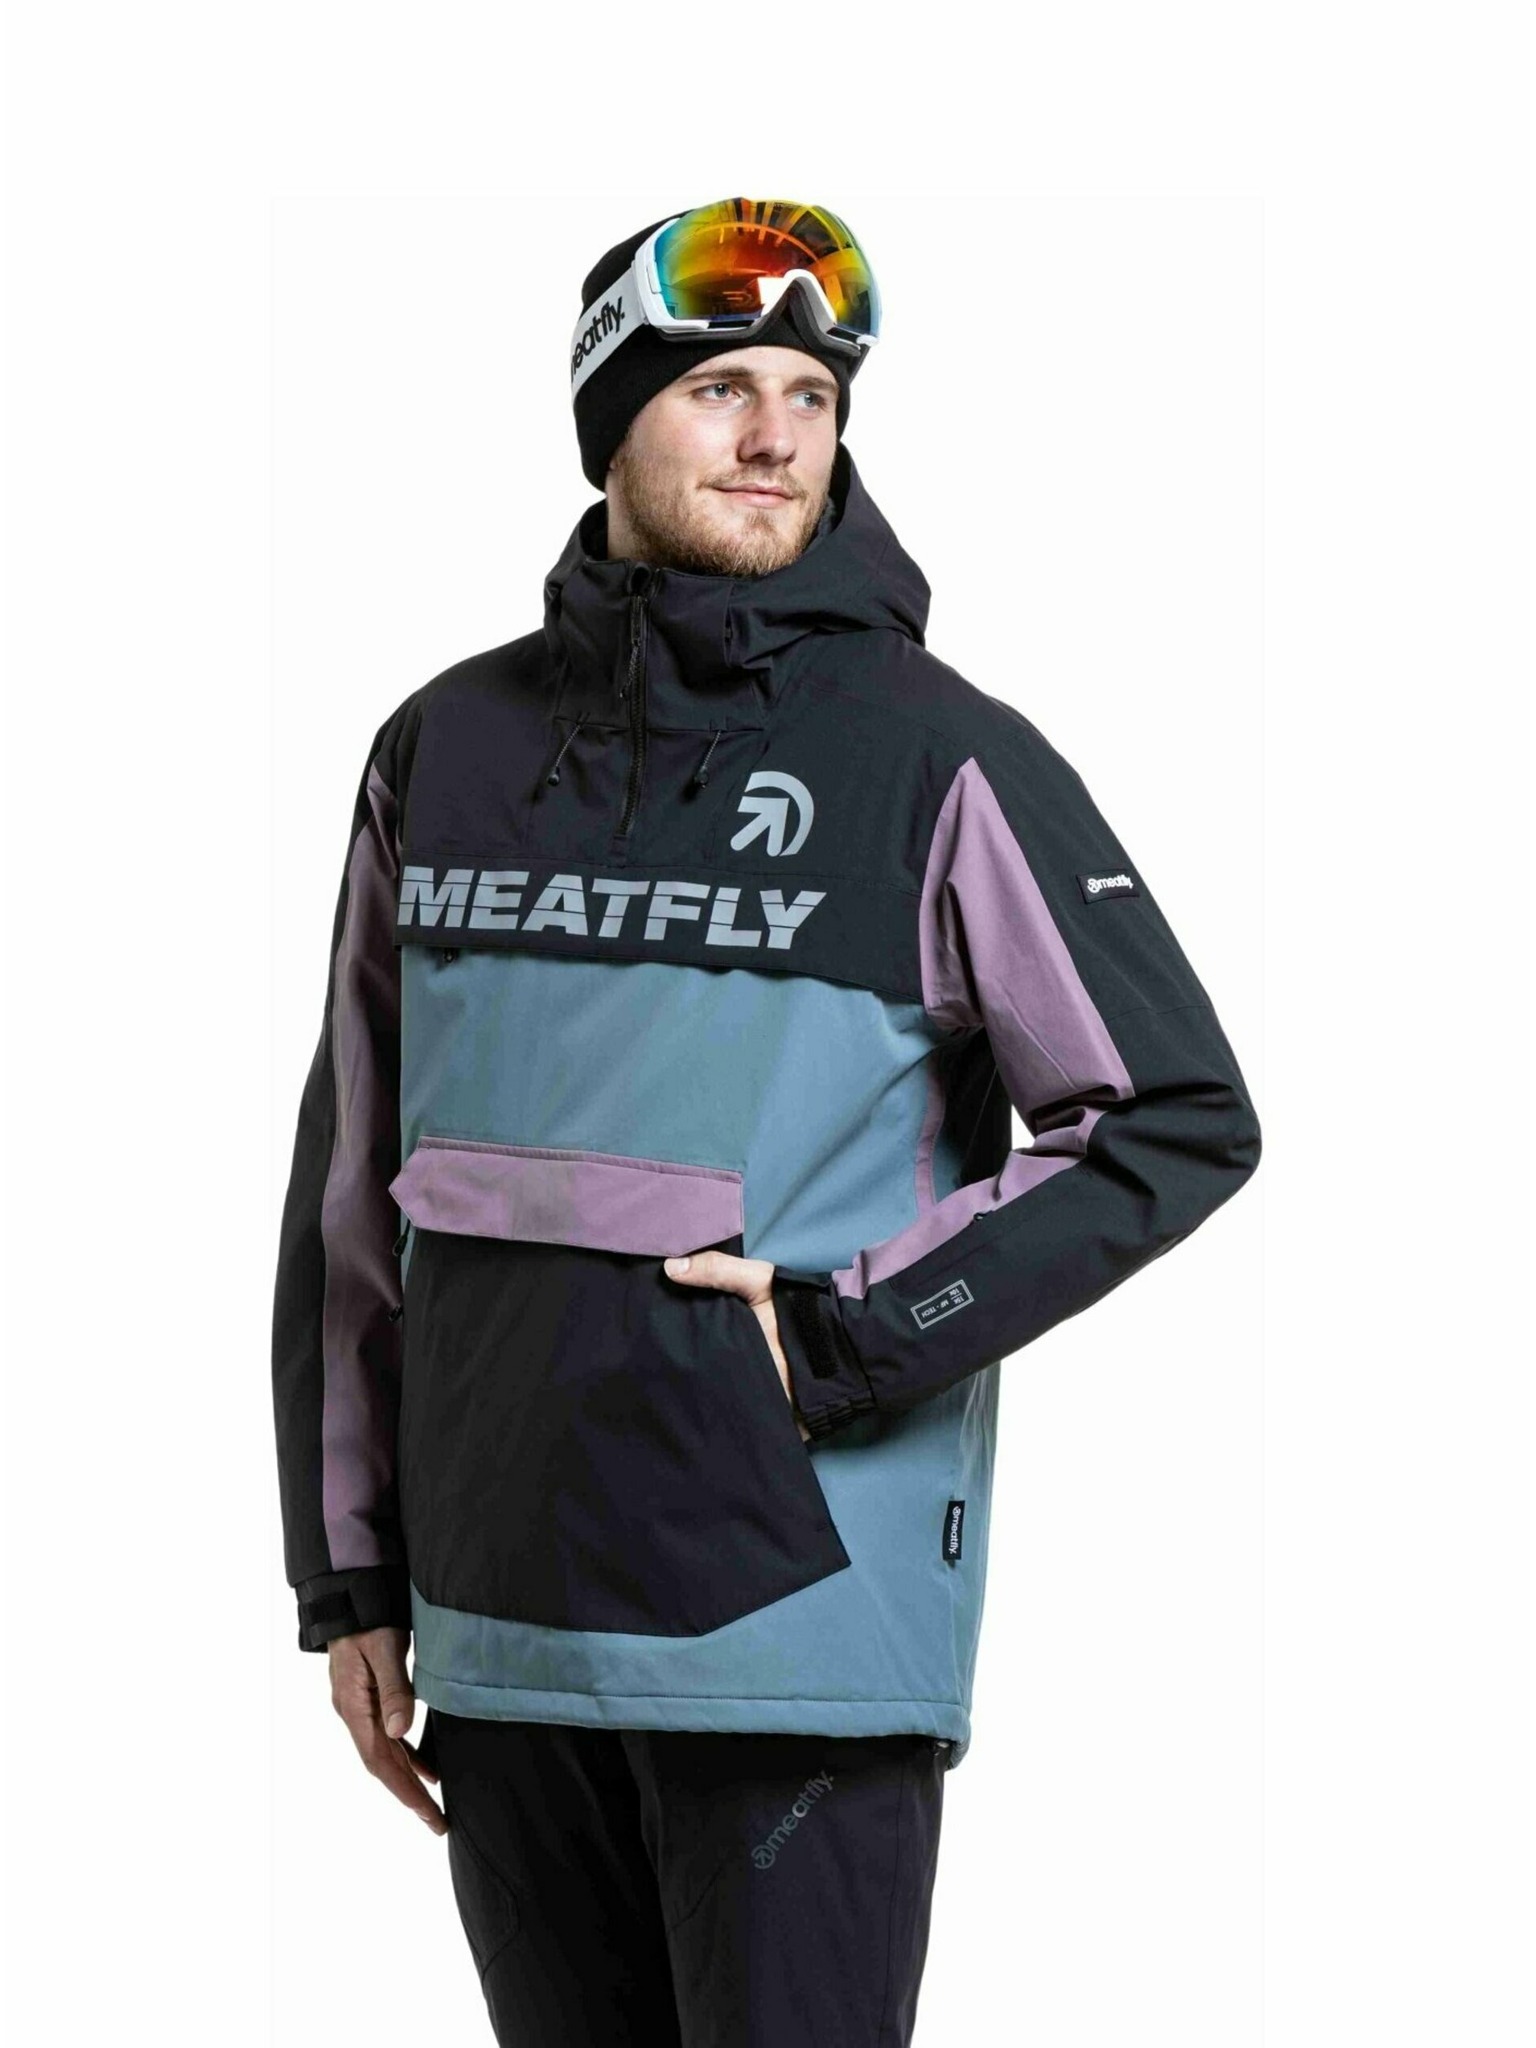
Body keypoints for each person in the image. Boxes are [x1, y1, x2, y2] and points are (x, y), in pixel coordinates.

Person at [270, 196, 1262, 2044]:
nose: (774, 436)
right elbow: (354, 1190)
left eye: (810, 395)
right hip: (500, 1625)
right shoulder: (443, 749)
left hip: (793, 1637)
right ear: (609, 424)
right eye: (719, 387)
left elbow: (1174, 1118)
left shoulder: (934, 753)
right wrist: (350, 1577)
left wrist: (850, 1331)